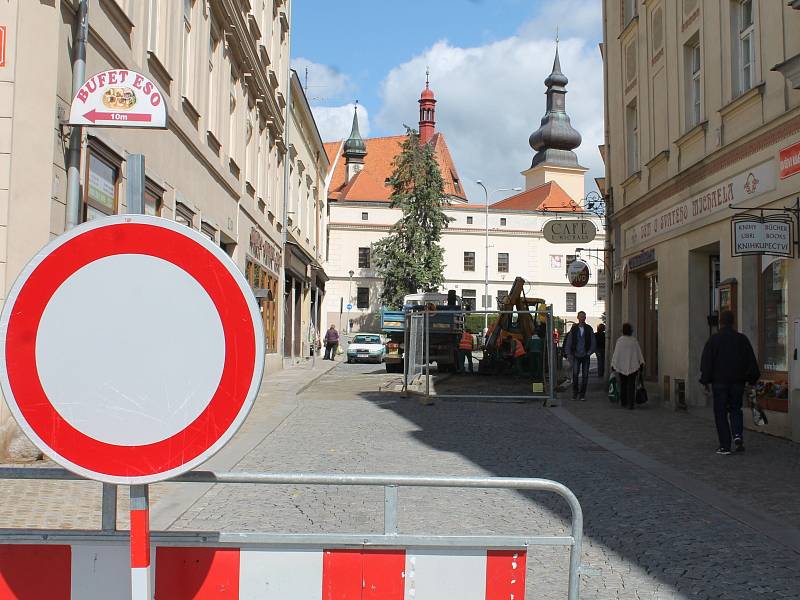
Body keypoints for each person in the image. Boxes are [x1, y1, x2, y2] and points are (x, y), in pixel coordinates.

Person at [700, 310, 760, 455]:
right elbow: (750, 361)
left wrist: (705, 381)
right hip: (737, 382)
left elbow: (707, 362)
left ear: (721, 322)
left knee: (720, 412)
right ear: (733, 322)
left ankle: (725, 445)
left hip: (719, 382)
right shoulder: (742, 339)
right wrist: (752, 380)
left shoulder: (714, 340)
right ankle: (738, 436)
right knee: (735, 409)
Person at [610, 323, 644, 410]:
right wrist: (641, 364)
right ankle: (631, 403)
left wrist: (613, 365)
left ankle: (623, 401)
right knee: (631, 385)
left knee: (623, 384)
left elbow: (616, 354)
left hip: (621, 366)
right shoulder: (634, 341)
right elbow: (638, 354)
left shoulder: (620, 341)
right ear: (631, 331)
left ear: (623, 331)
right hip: (633, 366)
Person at [565, 311, 596, 400]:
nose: (582, 318)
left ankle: (582, 395)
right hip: (576, 355)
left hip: (585, 355)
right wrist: (569, 354)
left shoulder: (589, 328)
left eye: (583, 316)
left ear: (585, 318)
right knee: (575, 375)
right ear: (578, 317)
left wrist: (589, 352)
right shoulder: (574, 329)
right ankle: (575, 394)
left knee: (585, 375)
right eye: (581, 316)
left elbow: (593, 342)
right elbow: (569, 341)